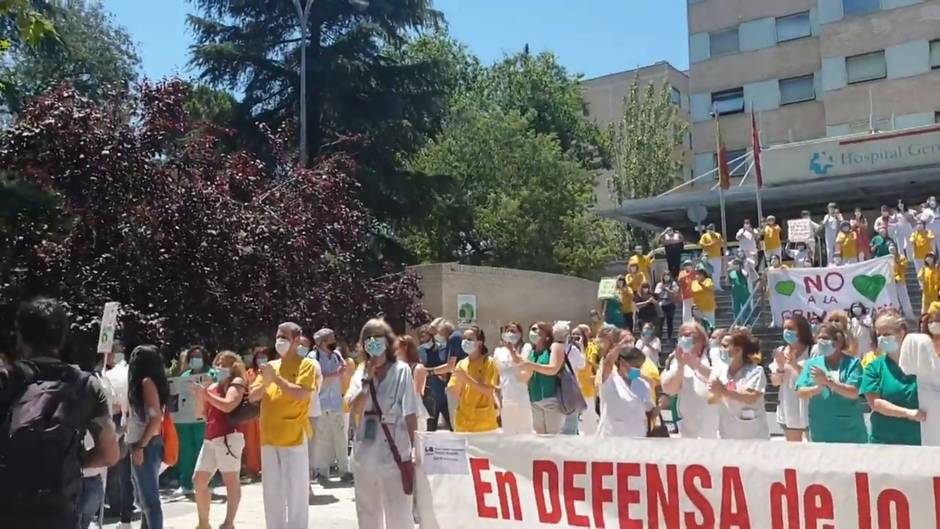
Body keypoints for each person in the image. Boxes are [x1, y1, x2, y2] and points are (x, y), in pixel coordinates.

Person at [0, 299, 118, 529]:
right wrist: (72, 463)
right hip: (60, 511)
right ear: (62, 337)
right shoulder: (86, 385)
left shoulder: (6, 381)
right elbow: (110, 454)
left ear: (20, 336)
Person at [346, 318, 418, 529]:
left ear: (387, 341)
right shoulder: (360, 372)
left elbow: (410, 411)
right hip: (365, 448)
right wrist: (367, 380)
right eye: (368, 338)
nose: (372, 342)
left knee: (398, 510)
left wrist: (415, 447)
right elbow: (354, 407)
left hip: (394, 445)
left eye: (377, 337)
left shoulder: (401, 370)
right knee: (367, 510)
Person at [248, 322, 319, 529]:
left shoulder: (306, 365)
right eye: (278, 336)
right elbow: (253, 396)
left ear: (296, 341)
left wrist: (276, 380)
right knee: (271, 491)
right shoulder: (271, 366)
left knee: (296, 492)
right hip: (269, 436)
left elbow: (301, 393)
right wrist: (267, 382)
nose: (280, 341)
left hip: (293, 436)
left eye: (285, 337)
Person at [192, 351, 247, 529]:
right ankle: (203, 523)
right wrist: (201, 395)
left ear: (234, 366)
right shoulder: (213, 386)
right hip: (211, 437)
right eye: (219, 363)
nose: (221, 367)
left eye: (226, 364)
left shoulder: (236, 383)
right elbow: (201, 414)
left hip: (229, 437)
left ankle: (229, 522)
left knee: (230, 481)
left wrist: (207, 395)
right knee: (199, 480)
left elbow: (228, 405)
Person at [795, 324, 867, 444]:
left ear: (838, 341)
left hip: (850, 431)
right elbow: (800, 392)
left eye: (825, 338)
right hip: (821, 430)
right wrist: (817, 388)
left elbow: (854, 392)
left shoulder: (853, 364)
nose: (821, 342)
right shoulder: (812, 364)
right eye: (819, 338)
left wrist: (828, 382)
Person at [860, 312, 923, 445]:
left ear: (901, 332)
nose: (882, 338)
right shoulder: (874, 367)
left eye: (886, 334)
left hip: (918, 440)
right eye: (879, 335)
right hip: (884, 441)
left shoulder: (921, 365)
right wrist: (908, 413)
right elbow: (875, 403)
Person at [127, 345, 170, 529]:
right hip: (145, 443)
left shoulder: (146, 383)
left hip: (146, 444)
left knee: (149, 500)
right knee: (144, 499)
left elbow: (155, 418)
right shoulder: (150, 382)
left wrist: (140, 446)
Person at [514, 322, 582, 434]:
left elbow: (553, 369)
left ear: (546, 334)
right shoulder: (532, 351)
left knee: (553, 438)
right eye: (531, 329)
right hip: (535, 400)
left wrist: (530, 365)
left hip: (552, 400)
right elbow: (526, 376)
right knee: (541, 439)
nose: (532, 332)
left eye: (536, 329)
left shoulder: (555, 347)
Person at [661, 321, 719, 439]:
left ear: (702, 339)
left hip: (715, 425)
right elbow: (669, 389)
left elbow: (723, 380)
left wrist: (696, 364)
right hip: (689, 429)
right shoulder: (675, 359)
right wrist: (681, 366)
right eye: (682, 335)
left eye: (690, 335)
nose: (686, 339)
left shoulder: (713, 354)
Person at [709, 329, 770, 440]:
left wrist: (723, 391)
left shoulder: (755, 371)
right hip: (726, 434)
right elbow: (712, 398)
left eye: (725, 346)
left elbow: (751, 397)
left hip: (753, 436)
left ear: (738, 350)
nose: (721, 350)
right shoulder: (719, 371)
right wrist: (714, 392)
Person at [310, 328, 350, 482]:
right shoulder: (313, 358)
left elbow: (343, 372)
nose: (334, 341)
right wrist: (337, 374)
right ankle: (322, 473)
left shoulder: (337, 355)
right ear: (322, 342)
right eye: (331, 339)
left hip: (336, 403)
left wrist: (341, 372)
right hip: (321, 404)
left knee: (341, 438)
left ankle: (344, 471)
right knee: (322, 440)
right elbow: (317, 381)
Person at [175, 345, 213, 496]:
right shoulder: (184, 376)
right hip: (185, 419)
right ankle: (185, 483)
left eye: (198, 356)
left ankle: (206, 483)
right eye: (192, 357)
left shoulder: (211, 374)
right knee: (186, 451)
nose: (195, 360)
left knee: (203, 451)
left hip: (203, 417)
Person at [447, 326, 499, 433]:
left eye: (469, 339)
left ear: (479, 343)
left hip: (483, 422)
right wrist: (459, 382)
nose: (465, 342)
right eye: (464, 339)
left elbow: (489, 391)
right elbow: (455, 393)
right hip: (463, 422)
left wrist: (467, 380)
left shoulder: (489, 362)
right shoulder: (461, 363)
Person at [597, 341, 653, 438]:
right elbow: (607, 364)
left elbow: (648, 407)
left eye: (640, 366)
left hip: (638, 438)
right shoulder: (610, 381)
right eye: (635, 366)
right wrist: (619, 346)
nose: (637, 369)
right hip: (613, 437)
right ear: (622, 363)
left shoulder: (642, 384)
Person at [770, 316, 813, 442]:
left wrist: (794, 365)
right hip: (788, 405)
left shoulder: (812, 350)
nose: (786, 331)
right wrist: (780, 367)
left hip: (808, 404)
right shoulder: (780, 351)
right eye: (784, 328)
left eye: (790, 328)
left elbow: (812, 377)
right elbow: (775, 382)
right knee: (793, 449)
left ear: (801, 330)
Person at [492, 322, 533, 434]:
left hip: (521, 395)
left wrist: (512, 350)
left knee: (524, 431)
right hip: (506, 396)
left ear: (520, 334)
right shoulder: (498, 351)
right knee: (508, 432)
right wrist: (497, 402)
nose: (510, 333)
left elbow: (522, 364)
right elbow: (496, 375)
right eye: (508, 331)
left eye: (513, 331)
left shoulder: (526, 347)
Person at [422, 319, 452, 431]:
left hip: (445, 395)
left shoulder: (446, 348)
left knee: (456, 429)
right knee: (429, 432)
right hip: (430, 397)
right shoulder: (421, 350)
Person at [395, 335, 429, 434]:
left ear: (405, 347)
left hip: (415, 413)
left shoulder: (417, 368)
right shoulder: (394, 367)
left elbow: (416, 392)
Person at [572, 324, 600, 435]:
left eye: (578, 335)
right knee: (578, 421)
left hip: (587, 388)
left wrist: (582, 349)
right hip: (574, 388)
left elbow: (589, 364)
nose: (575, 337)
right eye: (573, 334)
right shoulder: (570, 349)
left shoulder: (591, 348)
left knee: (589, 418)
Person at [891, 243, 915, 319]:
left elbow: (904, 266)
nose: (892, 250)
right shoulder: (887, 258)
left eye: (893, 248)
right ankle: (897, 315)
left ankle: (909, 316)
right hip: (891, 282)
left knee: (904, 298)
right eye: (890, 249)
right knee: (894, 299)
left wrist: (896, 261)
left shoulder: (901, 257)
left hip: (900, 280)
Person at [655, 272, 680, 342]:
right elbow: (657, 293)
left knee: (670, 322)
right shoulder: (659, 284)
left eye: (667, 276)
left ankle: (669, 337)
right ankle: (659, 338)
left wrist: (667, 289)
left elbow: (675, 292)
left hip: (670, 304)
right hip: (661, 304)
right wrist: (662, 290)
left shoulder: (673, 284)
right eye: (665, 276)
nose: (666, 277)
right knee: (660, 322)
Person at [699, 224, 724, 290]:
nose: (711, 231)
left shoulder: (718, 235)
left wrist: (720, 242)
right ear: (707, 230)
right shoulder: (704, 236)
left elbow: (721, 243)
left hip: (717, 256)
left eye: (712, 229)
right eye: (710, 229)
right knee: (710, 272)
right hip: (709, 257)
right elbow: (701, 244)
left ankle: (717, 286)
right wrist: (710, 244)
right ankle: (710, 287)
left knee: (718, 272)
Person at [728, 258, 751, 324]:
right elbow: (728, 282)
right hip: (735, 293)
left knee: (746, 309)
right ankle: (737, 323)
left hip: (744, 293)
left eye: (737, 264)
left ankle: (748, 323)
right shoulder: (732, 273)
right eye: (734, 264)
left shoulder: (743, 271)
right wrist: (728, 272)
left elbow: (746, 275)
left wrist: (740, 269)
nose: (735, 265)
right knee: (736, 309)